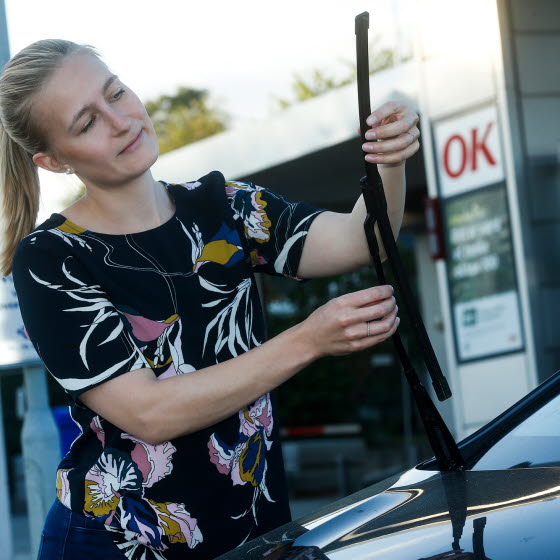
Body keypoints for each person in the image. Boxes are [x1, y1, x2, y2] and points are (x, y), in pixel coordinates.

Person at [0, 39, 419, 560]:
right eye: (86, 123)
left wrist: (389, 159)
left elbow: (363, 238)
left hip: (252, 527)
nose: (121, 120)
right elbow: (150, 415)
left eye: (116, 93)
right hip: (121, 541)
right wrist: (309, 340)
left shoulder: (224, 205)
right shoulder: (51, 258)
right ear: (53, 161)